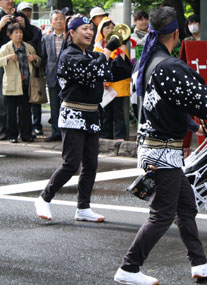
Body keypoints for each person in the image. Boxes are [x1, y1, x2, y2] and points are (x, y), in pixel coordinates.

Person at [113, 6, 207, 284]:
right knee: (161, 215)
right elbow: (201, 96)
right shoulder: (169, 66)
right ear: (176, 34)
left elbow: (169, 109)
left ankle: (199, 263)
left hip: (157, 146)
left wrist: (197, 126)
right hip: (162, 151)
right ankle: (129, 268)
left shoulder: (150, 63)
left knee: (186, 206)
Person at [34, 15, 131, 222]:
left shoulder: (91, 55)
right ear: (72, 33)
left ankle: (83, 207)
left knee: (90, 164)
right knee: (71, 163)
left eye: (90, 29)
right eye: (84, 29)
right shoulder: (69, 55)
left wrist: (119, 48)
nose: (89, 32)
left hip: (92, 114)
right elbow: (90, 72)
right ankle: (44, 198)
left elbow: (116, 72)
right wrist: (107, 50)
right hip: (73, 114)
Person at [0, 22, 40, 143]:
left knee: (26, 112)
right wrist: (8, 58)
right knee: (11, 113)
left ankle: (26, 134)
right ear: (10, 35)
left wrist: (35, 59)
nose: (19, 35)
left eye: (21, 32)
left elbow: (38, 61)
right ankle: (12, 135)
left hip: (26, 84)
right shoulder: (5, 48)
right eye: (16, 32)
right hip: (11, 85)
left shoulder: (28, 47)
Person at [93, 16, 132, 140]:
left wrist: (121, 48)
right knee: (105, 113)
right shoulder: (97, 48)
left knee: (118, 113)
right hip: (103, 87)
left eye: (111, 27)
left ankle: (120, 137)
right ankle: (106, 136)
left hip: (118, 86)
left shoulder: (120, 45)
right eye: (107, 27)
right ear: (101, 30)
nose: (109, 29)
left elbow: (124, 66)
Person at [0, 0, 33, 140]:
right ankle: (5, 131)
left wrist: (25, 25)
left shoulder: (20, 15)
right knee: (5, 103)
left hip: (23, 66)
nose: (10, 1)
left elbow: (32, 36)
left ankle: (25, 133)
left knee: (25, 106)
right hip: (5, 62)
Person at [18, 1, 44, 137]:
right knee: (19, 101)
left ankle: (37, 125)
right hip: (17, 71)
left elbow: (38, 49)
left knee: (35, 98)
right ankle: (21, 127)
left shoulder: (35, 30)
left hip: (33, 69)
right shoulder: (11, 30)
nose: (26, 13)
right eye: (23, 11)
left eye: (28, 11)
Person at [41, 10, 65, 142]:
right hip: (52, 77)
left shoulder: (69, 37)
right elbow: (43, 57)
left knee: (66, 105)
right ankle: (55, 132)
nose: (59, 21)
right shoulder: (46, 38)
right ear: (51, 22)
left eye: (61, 18)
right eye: (56, 19)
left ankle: (65, 131)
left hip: (67, 77)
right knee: (54, 106)